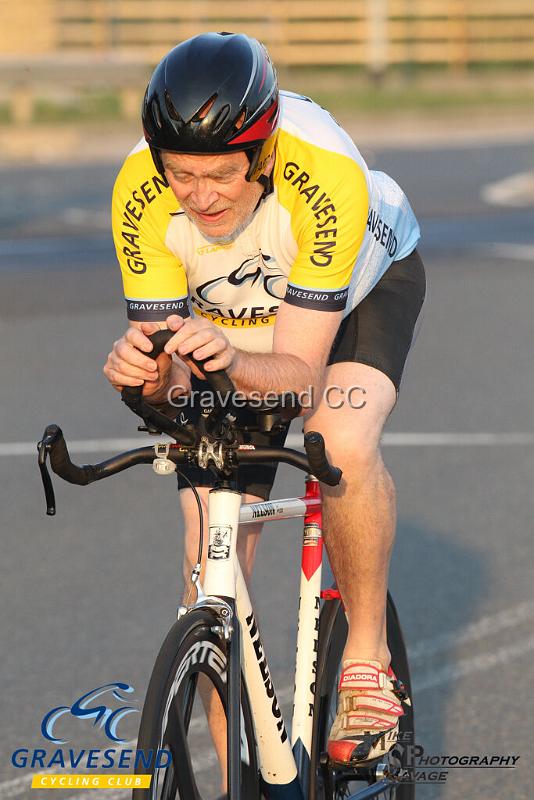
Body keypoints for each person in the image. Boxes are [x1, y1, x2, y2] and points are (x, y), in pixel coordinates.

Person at [104, 31, 425, 771]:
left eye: (220, 173)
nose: (200, 195)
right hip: (232, 327)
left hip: (350, 305)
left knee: (338, 442)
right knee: (208, 552)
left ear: (264, 150)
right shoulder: (140, 192)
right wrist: (144, 376)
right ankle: (248, 775)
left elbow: (299, 377)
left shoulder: (325, 172)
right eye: (181, 175)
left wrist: (229, 363)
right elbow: (171, 384)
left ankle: (366, 658)